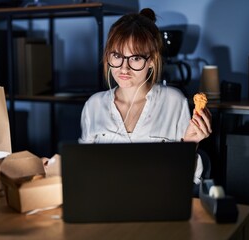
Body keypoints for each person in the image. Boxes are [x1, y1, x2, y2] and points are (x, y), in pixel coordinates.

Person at [79, 8, 212, 191]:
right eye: (117, 56)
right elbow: (83, 169)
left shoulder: (173, 101)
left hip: (159, 202)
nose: (124, 68)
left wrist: (190, 144)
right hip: (105, 202)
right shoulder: (93, 105)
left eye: (135, 58)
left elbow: (184, 180)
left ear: (151, 60)